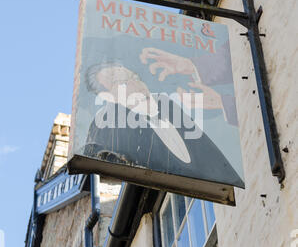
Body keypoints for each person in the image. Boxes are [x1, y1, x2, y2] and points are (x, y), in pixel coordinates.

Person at [81, 61, 244, 188]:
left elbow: (212, 157)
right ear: (107, 98)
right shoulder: (103, 127)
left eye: (135, 77)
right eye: (121, 83)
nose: (136, 85)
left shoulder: (168, 107)